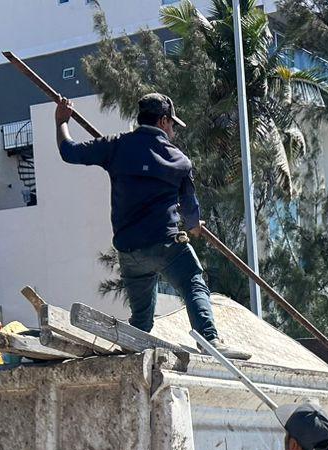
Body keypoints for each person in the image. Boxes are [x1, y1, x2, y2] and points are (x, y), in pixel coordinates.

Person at [56, 93, 250, 360]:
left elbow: (69, 151)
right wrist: (194, 226)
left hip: (129, 251)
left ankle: (133, 345)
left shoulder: (116, 147)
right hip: (166, 245)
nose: (173, 132)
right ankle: (209, 339)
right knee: (193, 283)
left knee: (142, 318)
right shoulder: (179, 160)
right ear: (162, 121)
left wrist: (61, 121)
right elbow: (191, 214)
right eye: (172, 125)